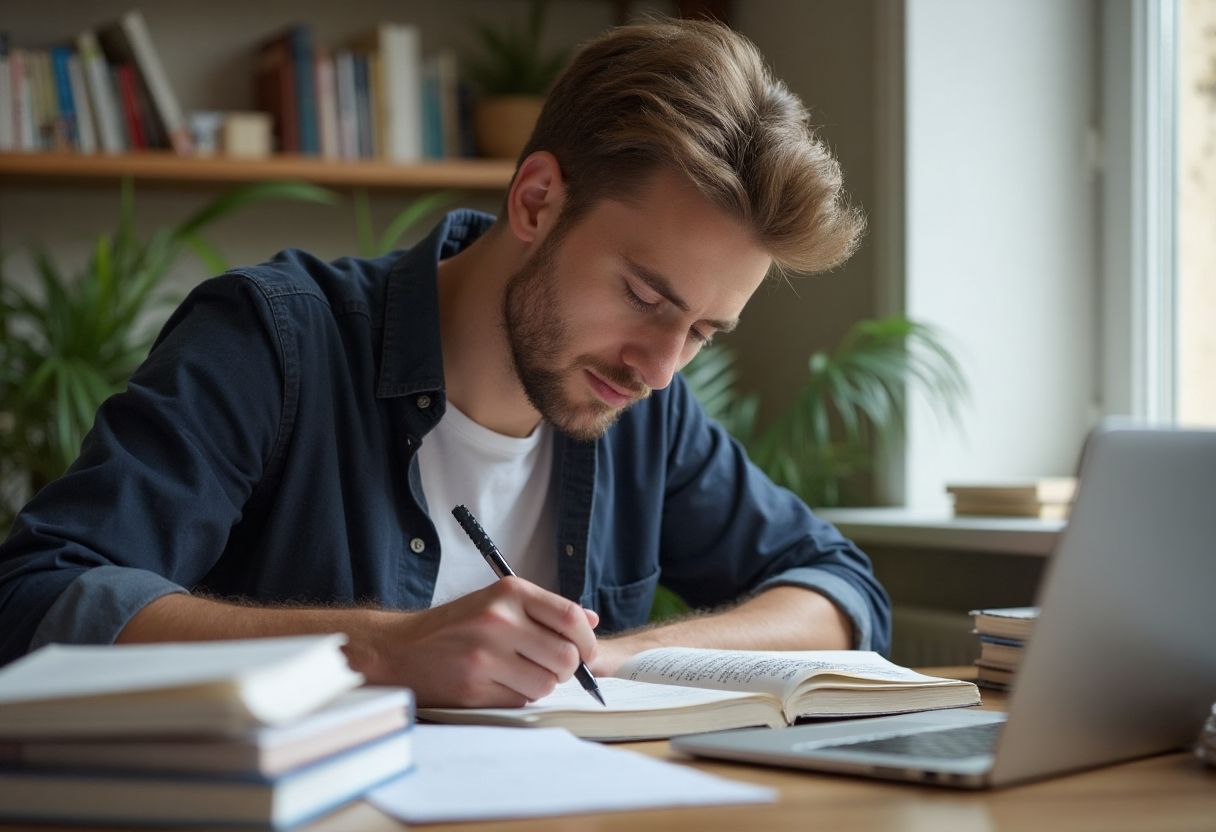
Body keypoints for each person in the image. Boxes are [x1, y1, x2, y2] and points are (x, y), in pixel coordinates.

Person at [0, 19, 890, 707]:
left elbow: (839, 590)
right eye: (647, 298)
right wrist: (381, 651)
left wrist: (621, 655)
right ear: (537, 200)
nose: (661, 366)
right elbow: (35, 599)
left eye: (702, 332)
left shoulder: (642, 402)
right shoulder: (273, 342)